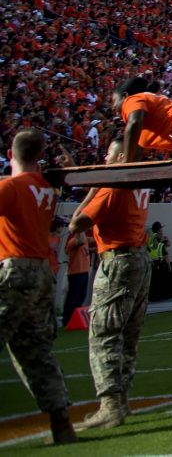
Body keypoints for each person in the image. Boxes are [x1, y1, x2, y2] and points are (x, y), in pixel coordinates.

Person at [65, 143, 151, 431]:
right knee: (128, 334)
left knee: (104, 333)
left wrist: (93, 186)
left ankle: (110, 405)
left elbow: (76, 224)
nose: (104, 158)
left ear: (121, 157)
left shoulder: (113, 185)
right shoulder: (140, 182)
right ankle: (122, 399)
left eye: (109, 154)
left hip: (118, 261)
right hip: (139, 258)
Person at [0, 129, 74, 445]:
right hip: (42, 271)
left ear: (10, 153)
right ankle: (62, 425)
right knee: (36, 351)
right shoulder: (47, 189)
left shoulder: (10, 187)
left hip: (16, 269)